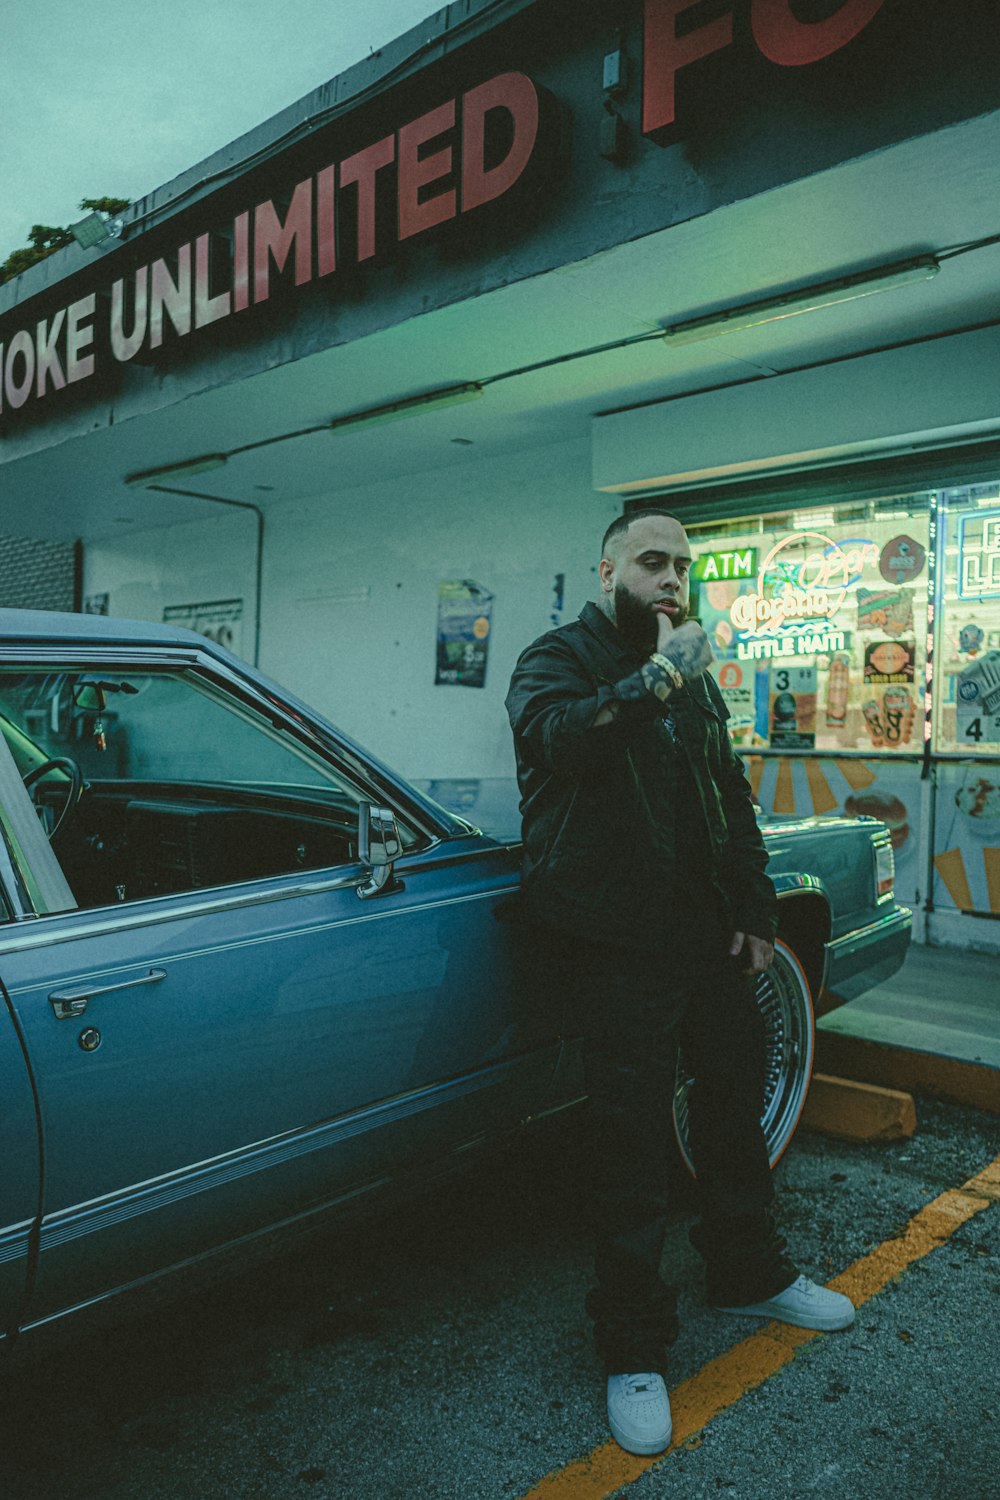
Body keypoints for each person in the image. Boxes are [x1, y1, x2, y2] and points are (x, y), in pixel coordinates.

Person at [504, 507, 854, 1458]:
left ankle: (749, 1270)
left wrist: (754, 906)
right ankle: (632, 1347)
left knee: (733, 1111)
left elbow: (724, 791)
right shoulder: (559, 658)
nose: (672, 578)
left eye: (684, 566)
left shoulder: (690, 678)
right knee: (630, 1145)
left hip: (703, 937)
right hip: (615, 945)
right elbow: (564, 740)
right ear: (607, 565)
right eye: (653, 562)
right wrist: (661, 673)